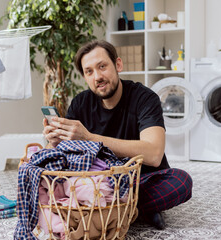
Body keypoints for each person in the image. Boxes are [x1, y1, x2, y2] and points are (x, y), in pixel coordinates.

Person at [42, 40, 192, 230]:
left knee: (181, 182)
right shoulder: (80, 103)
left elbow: (154, 155)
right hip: (98, 183)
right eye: (89, 72)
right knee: (51, 181)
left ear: (118, 65)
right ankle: (133, 210)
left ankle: (105, 212)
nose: (97, 76)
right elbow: (60, 159)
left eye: (102, 66)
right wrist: (54, 143)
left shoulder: (145, 98)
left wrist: (89, 137)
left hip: (140, 180)